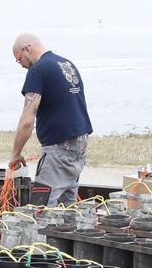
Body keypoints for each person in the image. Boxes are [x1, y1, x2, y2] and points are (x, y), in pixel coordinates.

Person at [10, 33, 92, 205]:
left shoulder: (38, 70)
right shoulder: (67, 64)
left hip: (58, 149)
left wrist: (15, 154)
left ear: (27, 49)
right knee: (67, 209)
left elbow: (27, 120)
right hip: (79, 145)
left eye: (19, 59)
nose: (21, 66)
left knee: (41, 210)